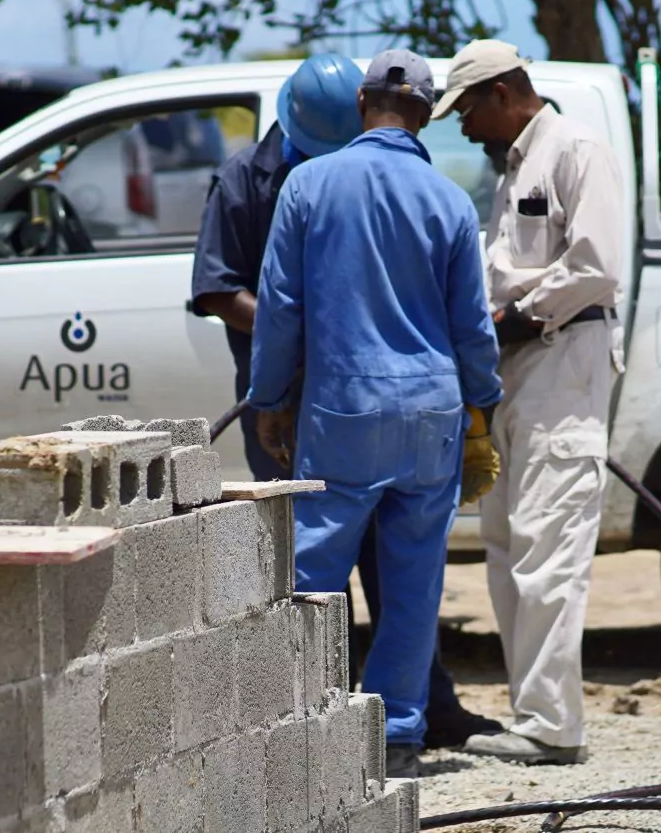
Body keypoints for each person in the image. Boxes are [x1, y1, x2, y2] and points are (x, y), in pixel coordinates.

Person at [190, 53, 504, 753]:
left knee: (312, 574)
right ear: (427, 114)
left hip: (345, 413)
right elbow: (472, 328)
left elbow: (279, 309)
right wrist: (483, 405)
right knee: (415, 585)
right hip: (432, 416)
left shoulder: (308, 185)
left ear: (363, 104)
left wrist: (267, 399)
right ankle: (397, 737)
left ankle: (303, 728)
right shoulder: (450, 199)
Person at [433, 39, 628, 766]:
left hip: (560, 365)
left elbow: (596, 263)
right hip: (512, 370)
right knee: (509, 542)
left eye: (468, 109)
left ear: (506, 92)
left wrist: (518, 316)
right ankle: (533, 713)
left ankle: (552, 724)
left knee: (549, 546)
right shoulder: (513, 168)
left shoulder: (578, 149)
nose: (462, 125)